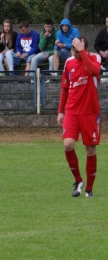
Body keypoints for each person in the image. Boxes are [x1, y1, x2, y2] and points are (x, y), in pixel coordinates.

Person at [57, 37, 101, 198]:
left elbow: (94, 71)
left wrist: (83, 52)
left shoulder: (94, 58)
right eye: (73, 50)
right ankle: (78, 181)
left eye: (77, 50)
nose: (74, 53)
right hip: (72, 111)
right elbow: (65, 87)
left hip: (90, 112)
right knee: (68, 145)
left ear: (84, 48)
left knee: (90, 149)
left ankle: (89, 189)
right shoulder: (69, 62)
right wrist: (60, 111)